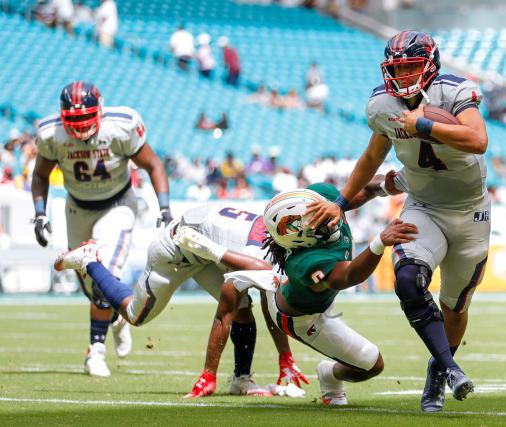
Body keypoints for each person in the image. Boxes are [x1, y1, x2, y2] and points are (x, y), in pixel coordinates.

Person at [305, 30, 489, 412]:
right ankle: (451, 368)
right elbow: (371, 159)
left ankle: (437, 369)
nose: (404, 77)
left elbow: (477, 140)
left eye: (411, 67)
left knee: (454, 306)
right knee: (408, 278)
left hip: (470, 210)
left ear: (431, 65)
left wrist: (424, 125)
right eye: (398, 69)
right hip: (423, 205)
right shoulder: (382, 105)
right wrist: (340, 202)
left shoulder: (454, 91)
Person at [187, 183, 418, 405]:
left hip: (309, 289)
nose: (326, 214)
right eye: (316, 219)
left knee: (265, 275)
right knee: (372, 364)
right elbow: (349, 276)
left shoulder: (318, 200)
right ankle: (329, 374)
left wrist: (398, 181)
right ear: (303, 237)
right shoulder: (305, 262)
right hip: (302, 318)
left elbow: (366, 188)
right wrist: (379, 242)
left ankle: (252, 272)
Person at [54, 204, 308, 396]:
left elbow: (269, 297)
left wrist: (285, 357)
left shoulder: (274, 233)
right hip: (176, 249)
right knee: (135, 315)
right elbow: (225, 311)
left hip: (207, 248)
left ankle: (241, 379)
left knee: (243, 306)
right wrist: (208, 375)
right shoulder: (259, 252)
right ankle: (89, 260)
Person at [32, 81, 172, 377]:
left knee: (104, 272)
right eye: (74, 121)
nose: (81, 128)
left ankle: (95, 350)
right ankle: (119, 318)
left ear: (100, 111)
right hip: (78, 208)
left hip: (117, 205)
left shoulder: (121, 126)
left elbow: (154, 164)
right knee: (89, 284)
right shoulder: (50, 133)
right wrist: (40, 214)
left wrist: (164, 207)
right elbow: (40, 175)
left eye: (86, 119)